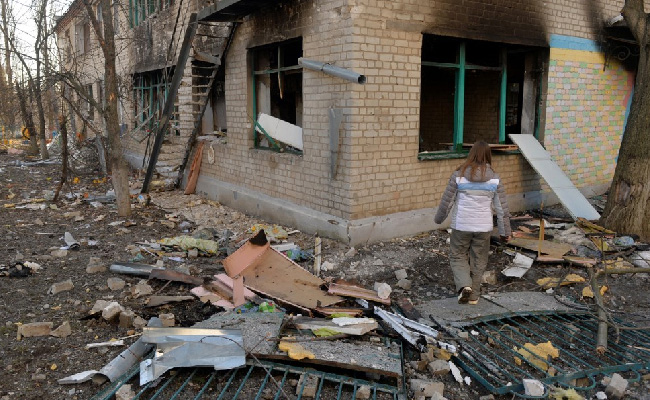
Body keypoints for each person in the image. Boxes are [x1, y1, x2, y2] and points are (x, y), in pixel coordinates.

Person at [434, 141, 511, 305]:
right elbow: (502, 209)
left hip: (462, 225)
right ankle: (474, 296)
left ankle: (464, 286)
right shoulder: (495, 178)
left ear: (471, 154)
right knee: (479, 259)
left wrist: (439, 219)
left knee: (457, 256)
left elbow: (447, 202)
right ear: (488, 155)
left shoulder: (459, 175)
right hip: (483, 227)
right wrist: (505, 232)